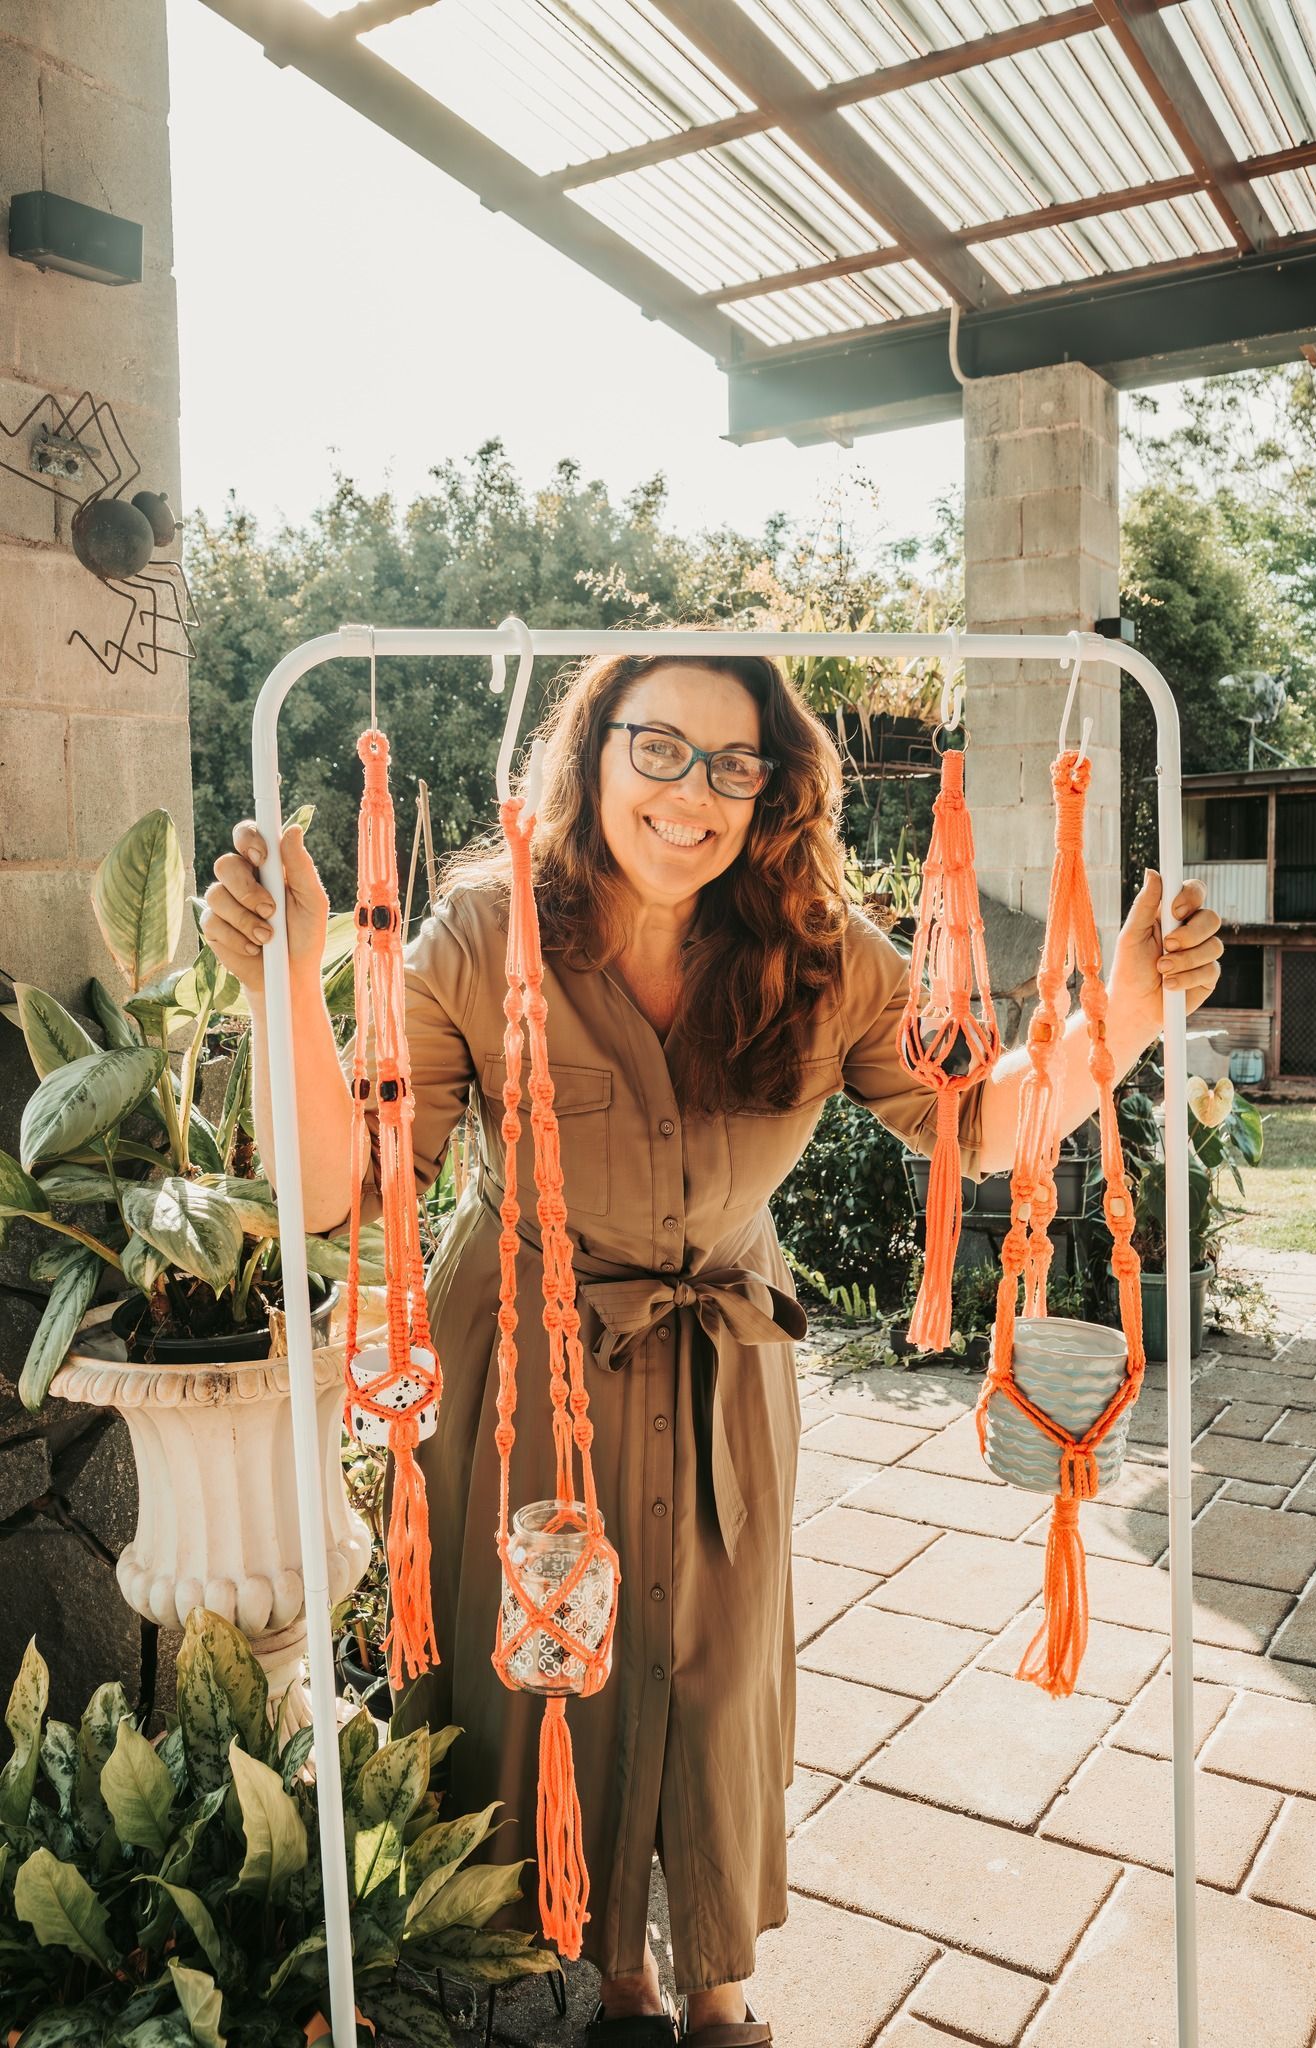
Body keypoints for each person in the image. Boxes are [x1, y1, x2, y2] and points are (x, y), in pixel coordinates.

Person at [206, 651, 1223, 2048]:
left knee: (717, 1664)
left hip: (721, 1356)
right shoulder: (479, 930)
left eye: (734, 764)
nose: (693, 795)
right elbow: (339, 1191)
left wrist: (1128, 1011)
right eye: (660, 749)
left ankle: (720, 1982)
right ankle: (608, 1977)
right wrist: (277, 980)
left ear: (774, 788)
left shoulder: (822, 952)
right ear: (592, 749)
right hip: (522, 1358)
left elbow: (975, 1128)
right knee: (557, 1655)